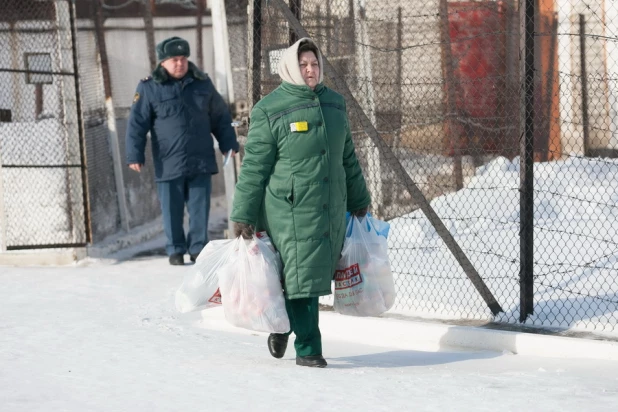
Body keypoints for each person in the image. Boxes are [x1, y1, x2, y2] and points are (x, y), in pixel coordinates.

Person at [230, 38, 371, 368]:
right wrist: (243, 213)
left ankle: (283, 324)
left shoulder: (335, 104)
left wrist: (359, 198)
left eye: (315, 64)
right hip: (289, 209)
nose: (310, 70)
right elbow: (255, 166)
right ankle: (309, 350)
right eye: (304, 64)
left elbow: (347, 157)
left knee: (308, 276)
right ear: (291, 67)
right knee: (303, 276)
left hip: (330, 206)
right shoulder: (270, 109)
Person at [126, 36, 239, 266]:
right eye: (174, 59)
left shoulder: (202, 83)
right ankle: (175, 249)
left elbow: (219, 116)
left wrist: (229, 143)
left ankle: (198, 248)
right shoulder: (149, 88)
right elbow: (137, 123)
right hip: (169, 162)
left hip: (200, 159)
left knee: (199, 209)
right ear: (162, 62)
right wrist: (134, 154)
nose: (179, 64)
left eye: (183, 59)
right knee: (172, 210)